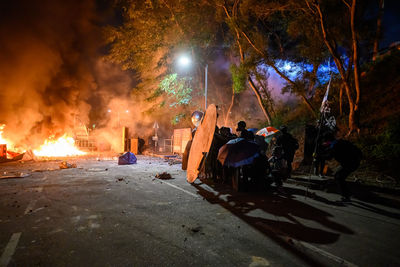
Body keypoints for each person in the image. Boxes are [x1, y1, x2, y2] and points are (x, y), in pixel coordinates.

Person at [321, 132, 362, 202]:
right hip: (353, 161)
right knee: (338, 175)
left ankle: (346, 196)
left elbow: (329, 157)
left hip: (350, 163)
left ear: (328, 140)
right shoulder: (339, 142)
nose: (324, 143)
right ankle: (347, 194)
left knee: (339, 177)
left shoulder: (334, 146)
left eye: (325, 141)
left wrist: (318, 156)